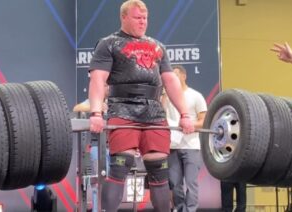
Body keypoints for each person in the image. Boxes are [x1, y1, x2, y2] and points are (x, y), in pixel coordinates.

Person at [88, 1, 195, 211]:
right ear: (124, 17)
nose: (142, 22)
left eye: (145, 18)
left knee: (159, 172)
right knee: (119, 169)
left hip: (153, 112)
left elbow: (171, 81)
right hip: (122, 108)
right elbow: (98, 79)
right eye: (138, 18)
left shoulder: (157, 46)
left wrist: (185, 114)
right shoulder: (108, 43)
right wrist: (96, 112)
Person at [163, 65, 207, 212]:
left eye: (176, 75)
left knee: (191, 182)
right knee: (175, 183)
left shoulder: (196, 96)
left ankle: (191, 209)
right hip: (173, 145)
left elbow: (204, 121)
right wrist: (164, 94)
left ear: (184, 76)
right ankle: (178, 208)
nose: (173, 78)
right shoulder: (167, 97)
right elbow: (162, 115)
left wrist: (188, 125)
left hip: (191, 146)